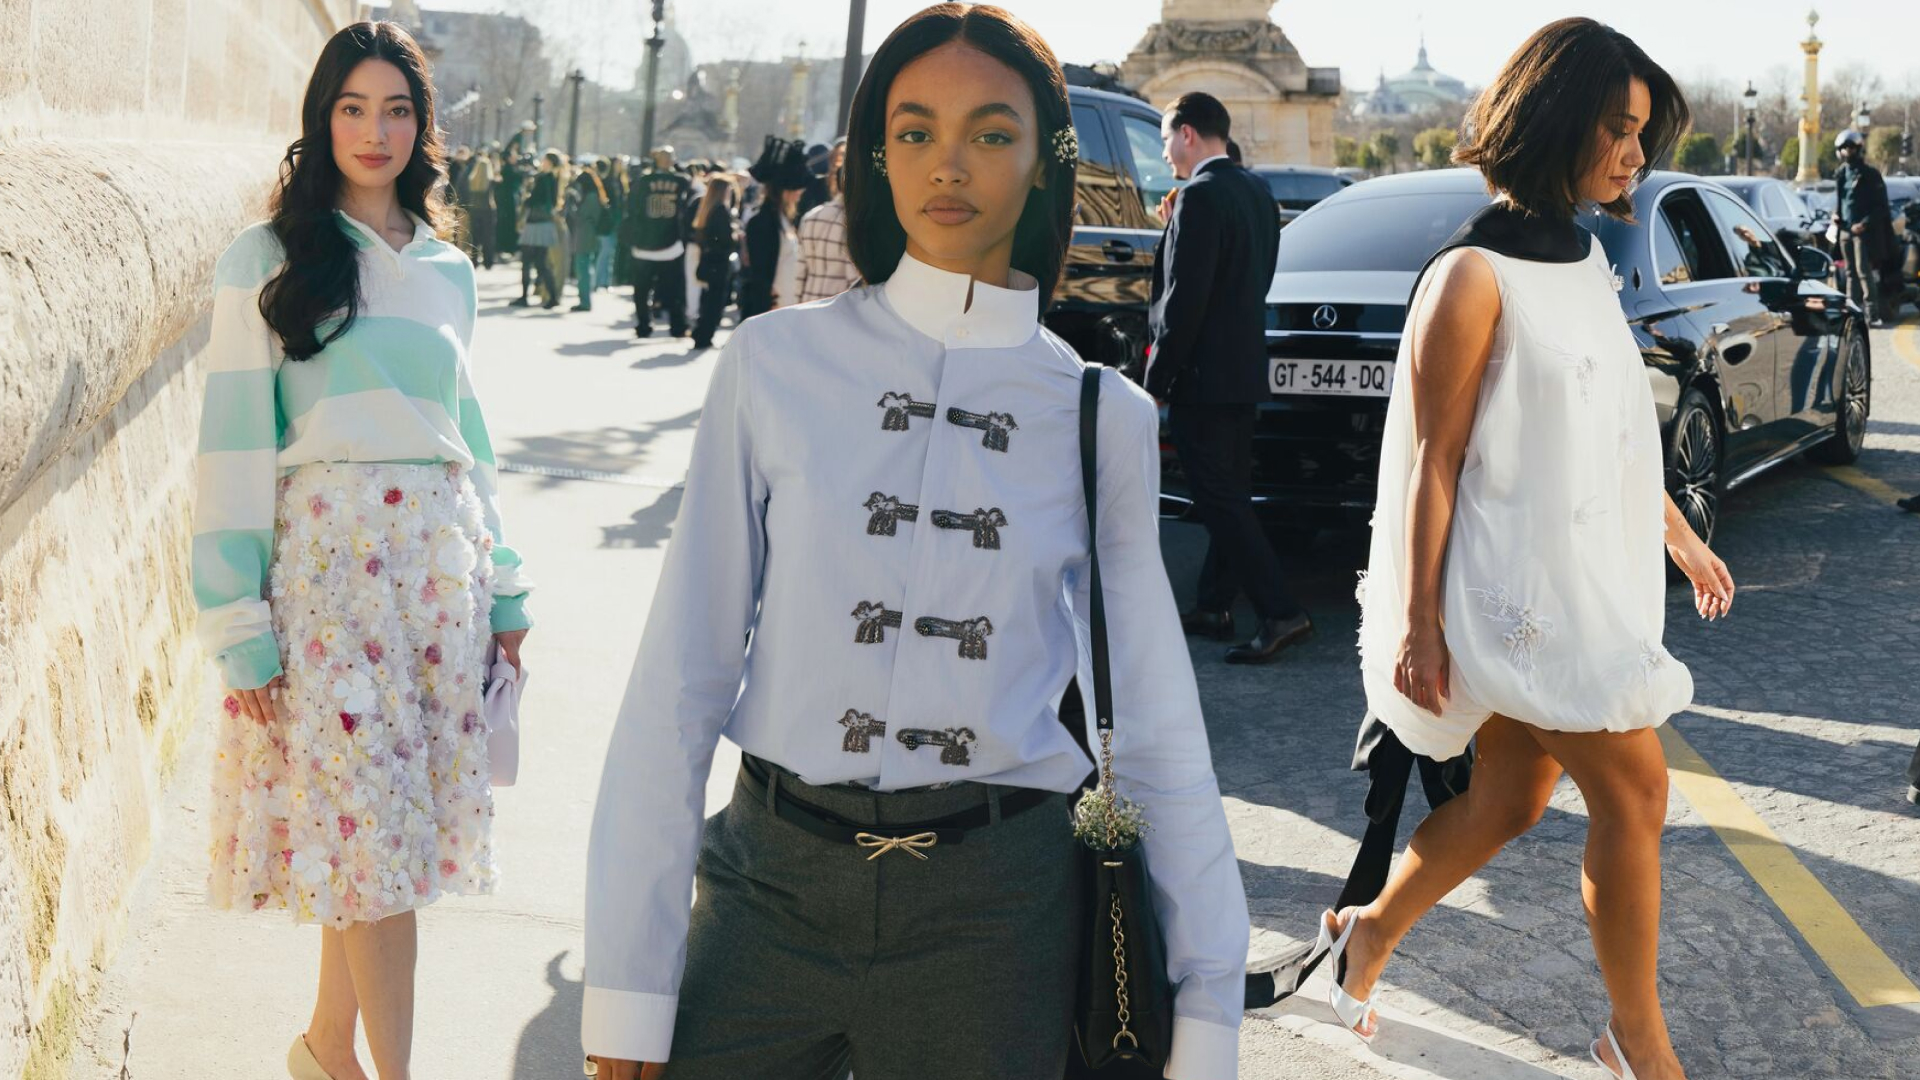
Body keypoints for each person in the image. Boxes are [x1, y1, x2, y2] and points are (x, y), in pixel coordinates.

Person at [581, 5, 1247, 1078]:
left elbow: (1159, 721)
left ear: (1043, 162)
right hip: (768, 892)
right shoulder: (771, 366)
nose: (949, 164)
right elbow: (679, 683)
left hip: (997, 917)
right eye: (913, 131)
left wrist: (1207, 1006)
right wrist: (626, 981)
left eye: (990, 133)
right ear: (876, 155)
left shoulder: (1099, 415)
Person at [1339, 19, 1732, 1080]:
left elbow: (1604, 438)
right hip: (1517, 594)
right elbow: (1434, 462)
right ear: (1558, 123)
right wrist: (1420, 623)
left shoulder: (1587, 261)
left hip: (1586, 586)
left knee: (1509, 802)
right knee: (1638, 793)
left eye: (1642, 135)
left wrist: (1680, 537)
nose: (1635, 157)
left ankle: (1369, 933)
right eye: (1618, 130)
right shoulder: (1472, 277)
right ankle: (1635, 1039)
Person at [194, 21, 533, 1080]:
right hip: (330, 582)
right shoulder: (266, 259)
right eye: (352, 107)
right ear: (321, 118)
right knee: (372, 857)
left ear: (422, 125)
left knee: (376, 848)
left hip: (436, 583)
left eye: (396, 109)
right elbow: (233, 446)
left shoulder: (449, 271)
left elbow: (468, 441)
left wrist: (509, 588)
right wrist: (237, 621)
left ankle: (325, 1050)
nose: (374, 130)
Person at [1144, 91, 1310, 664]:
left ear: (1187, 133)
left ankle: (1280, 611)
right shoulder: (1258, 194)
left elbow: (1183, 302)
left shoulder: (1200, 197)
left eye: (1167, 139)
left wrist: (1154, 381)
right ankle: (1214, 604)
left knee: (1219, 499)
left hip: (1202, 378)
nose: (1165, 153)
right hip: (1243, 371)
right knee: (1228, 493)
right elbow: (1248, 281)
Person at [623, 146, 692, 338]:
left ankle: (644, 326)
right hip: (671, 245)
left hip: (644, 245)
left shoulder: (643, 181)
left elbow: (631, 209)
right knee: (674, 289)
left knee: (641, 290)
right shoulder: (682, 181)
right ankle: (678, 326)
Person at [737, 136, 808, 318]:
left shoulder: (783, 221)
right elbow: (760, 275)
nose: (800, 193)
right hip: (773, 311)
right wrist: (768, 305)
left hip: (787, 307)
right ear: (784, 190)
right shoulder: (762, 223)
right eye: (796, 189)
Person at [1833, 128, 1895, 328]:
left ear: (1858, 149)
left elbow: (1882, 207)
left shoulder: (1870, 175)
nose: (1847, 152)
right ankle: (1852, 313)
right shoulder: (1841, 174)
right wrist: (1836, 216)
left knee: (1863, 272)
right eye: (1844, 149)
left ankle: (1872, 314)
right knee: (1849, 273)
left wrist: (1864, 224)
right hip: (1845, 231)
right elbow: (1841, 200)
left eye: (1851, 148)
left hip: (1863, 233)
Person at [794, 140, 856, 303]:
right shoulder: (853, 224)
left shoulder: (811, 217)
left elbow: (799, 272)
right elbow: (854, 279)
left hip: (808, 302)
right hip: (836, 307)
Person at [688, 173, 736, 349]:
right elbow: (725, 240)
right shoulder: (720, 210)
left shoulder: (707, 208)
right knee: (714, 303)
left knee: (707, 300)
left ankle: (701, 332)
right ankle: (704, 335)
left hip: (707, 261)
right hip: (718, 263)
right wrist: (735, 239)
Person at [511, 150, 562, 309]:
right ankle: (553, 297)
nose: (542, 161)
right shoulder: (554, 178)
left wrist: (527, 199)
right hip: (545, 224)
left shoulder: (543, 178)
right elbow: (552, 202)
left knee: (527, 262)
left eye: (544, 159)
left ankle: (524, 297)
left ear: (549, 162)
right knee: (541, 263)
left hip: (534, 224)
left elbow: (535, 200)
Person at [566, 156, 610, 311]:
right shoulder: (594, 195)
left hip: (586, 235)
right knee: (584, 268)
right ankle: (584, 300)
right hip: (587, 234)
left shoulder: (590, 197)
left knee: (583, 268)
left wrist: (572, 206)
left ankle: (584, 301)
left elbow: (582, 217)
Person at [465, 147, 498, 269]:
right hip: (487, 210)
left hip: (474, 210)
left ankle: (474, 261)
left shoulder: (472, 179)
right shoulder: (490, 181)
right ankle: (488, 261)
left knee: (474, 236)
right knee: (488, 237)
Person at [595, 156, 623, 295]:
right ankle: (598, 281)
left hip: (615, 224)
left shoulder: (618, 182)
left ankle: (605, 282)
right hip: (607, 224)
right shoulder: (607, 182)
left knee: (609, 254)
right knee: (604, 253)